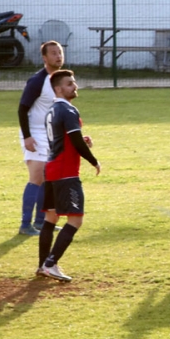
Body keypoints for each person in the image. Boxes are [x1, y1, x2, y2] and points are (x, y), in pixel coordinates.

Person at [37, 70, 101, 283]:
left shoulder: (52, 110)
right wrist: (93, 160)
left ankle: (42, 264)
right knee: (76, 219)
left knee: (50, 217)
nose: (74, 86)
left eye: (74, 82)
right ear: (58, 89)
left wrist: (80, 140)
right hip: (66, 173)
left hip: (51, 169)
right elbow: (74, 141)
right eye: (69, 84)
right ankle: (50, 264)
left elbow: (63, 139)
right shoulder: (68, 110)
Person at [17, 40, 65, 236]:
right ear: (45, 58)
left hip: (50, 133)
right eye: (53, 53)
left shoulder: (61, 79)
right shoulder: (38, 81)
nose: (58, 56)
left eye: (60, 52)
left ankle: (42, 222)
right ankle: (25, 225)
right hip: (35, 132)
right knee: (37, 176)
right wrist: (27, 137)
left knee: (48, 177)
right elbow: (22, 109)